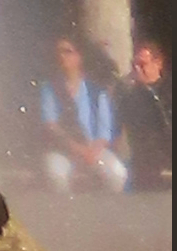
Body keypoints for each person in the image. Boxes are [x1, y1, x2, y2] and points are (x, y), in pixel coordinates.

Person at [36, 33, 127, 194]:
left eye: (67, 51)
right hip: (63, 150)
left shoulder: (97, 91)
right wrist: (79, 150)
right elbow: (51, 126)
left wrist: (93, 151)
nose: (62, 56)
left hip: (93, 150)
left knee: (117, 173)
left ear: (79, 56)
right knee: (56, 175)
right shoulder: (50, 89)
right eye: (59, 52)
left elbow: (104, 130)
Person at [123, 39, 173, 192]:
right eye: (135, 66)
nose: (138, 70)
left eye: (142, 65)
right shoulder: (130, 94)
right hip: (146, 159)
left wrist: (149, 92)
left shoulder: (169, 90)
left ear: (158, 63)